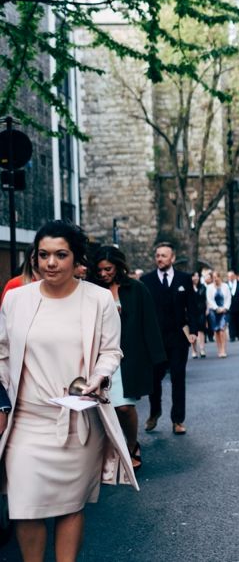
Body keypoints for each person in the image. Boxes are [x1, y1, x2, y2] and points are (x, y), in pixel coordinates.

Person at [0, 221, 138, 561]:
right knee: (25, 507)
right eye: (43, 255)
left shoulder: (99, 299)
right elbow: (2, 354)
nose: (50, 263)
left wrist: (100, 377)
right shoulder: (15, 299)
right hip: (26, 422)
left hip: (77, 422)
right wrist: (2, 407)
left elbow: (110, 351)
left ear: (77, 259)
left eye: (60, 255)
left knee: (69, 507)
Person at [92, 245, 167, 472]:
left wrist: (158, 359)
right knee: (104, 408)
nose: (104, 274)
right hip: (99, 356)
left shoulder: (136, 289)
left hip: (129, 357)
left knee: (124, 408)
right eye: (100, 270)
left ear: (118, 267)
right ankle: (110, 449)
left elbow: (150, 324)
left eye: (108, 269)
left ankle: (132, 443)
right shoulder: (92, 291)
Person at [141, 243, 198, 435]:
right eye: (157, 255)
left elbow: (192, 306)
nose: (160, 259)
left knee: (178, 378)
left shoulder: (184, 279)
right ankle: (154, 411)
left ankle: (178, 420)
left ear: (172, 258)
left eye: (164, 256)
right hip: (155, 339)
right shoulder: (146, 280)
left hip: (178, 338)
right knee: (154, 379)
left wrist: (194, 331)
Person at [207, 271, 232, 358]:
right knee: (216, 331)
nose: (215, 279)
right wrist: (216, 308)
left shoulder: (225, 286)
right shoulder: (209, 287)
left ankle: (224, 350)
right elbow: (209, 299)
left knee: (222, 330)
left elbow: (228, 298)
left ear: (219, 277)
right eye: (213, 278)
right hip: (214, 311)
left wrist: (224, 308)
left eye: (216, 277)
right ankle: (219, 350)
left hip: (224, 311)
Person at [190, 271, 208, 358]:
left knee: (201, 330)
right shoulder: (188, 288)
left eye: (197, 276)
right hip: (191, 312)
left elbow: (206, 299)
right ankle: (194, 350)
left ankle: (202, 349)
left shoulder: (203, 287)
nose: (196, 278)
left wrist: (207, 309)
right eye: (194, 276)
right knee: (193, 331)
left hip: (201, 311)